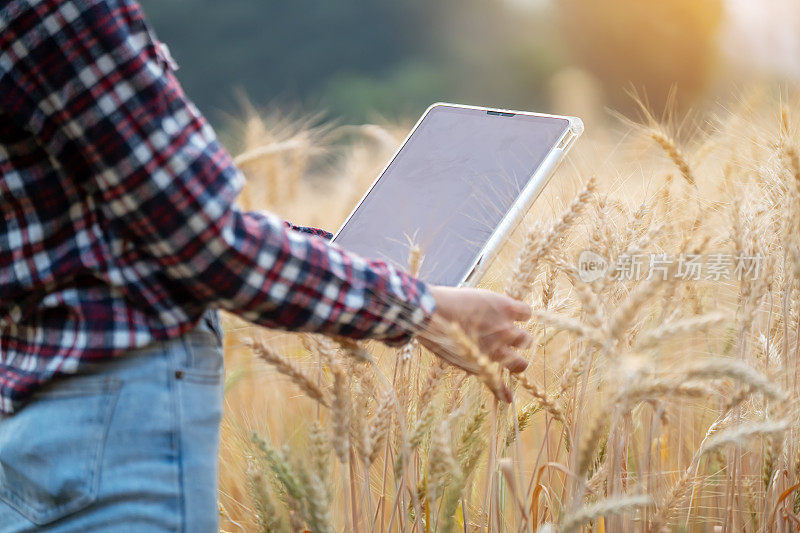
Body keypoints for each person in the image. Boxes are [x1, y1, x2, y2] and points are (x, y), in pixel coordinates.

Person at [0, 0, 532, 530]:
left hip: (35, 426)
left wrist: (374, 274)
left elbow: (142, 228)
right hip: (114, 435)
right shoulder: (63, 8)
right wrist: (421, 307)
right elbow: (206, 246)